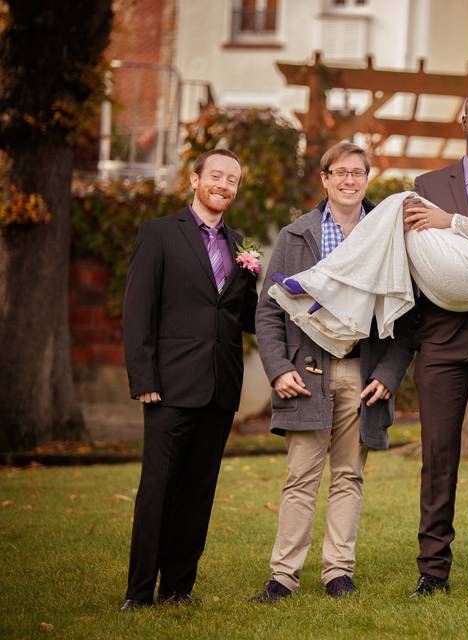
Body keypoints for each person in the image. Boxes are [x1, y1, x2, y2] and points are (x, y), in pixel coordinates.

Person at [270, 124, 468, 596]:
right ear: (467, 122)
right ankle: (433, 571)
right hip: (442, 336)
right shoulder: (430, 183)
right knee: (438, 459)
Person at [250, 143, 416, 603]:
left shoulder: (386, 234)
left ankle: (338, 571)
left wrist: (389, 372)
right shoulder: (295, 235)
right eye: (339, 173)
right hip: (306, 375)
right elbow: (268, 312)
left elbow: (407, 315)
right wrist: (278, 369)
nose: (348, 181)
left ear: (367, 179)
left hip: (362, 375)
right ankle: (283, 576)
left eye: (357, 173)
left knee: (348, 475)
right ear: (324, 178)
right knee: (301, 476)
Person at [120, 149, 258, 610]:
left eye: (232, 180)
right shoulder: (159, 233)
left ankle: (178, 588)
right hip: (170, 386)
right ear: (195, 179)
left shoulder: (240, 246)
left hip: (220, 388)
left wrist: (297, 298)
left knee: (199, 491)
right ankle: (138, 594)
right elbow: (139, 309)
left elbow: (247, 316)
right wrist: (144, 376)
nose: (224, 184)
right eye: (216, 175)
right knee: (158, 490)